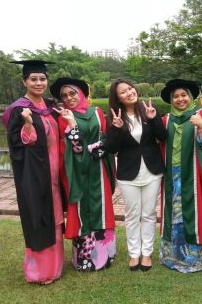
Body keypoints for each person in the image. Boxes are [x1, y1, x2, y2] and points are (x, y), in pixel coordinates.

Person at [2, 60, 64, 284]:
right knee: (39, 217)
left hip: (55, 174)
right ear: (24, 81)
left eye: (42, 79)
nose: (39, 83)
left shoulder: (50, 105)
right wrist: (28, 124)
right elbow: (18, 145)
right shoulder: (19, 109)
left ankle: (56, 266)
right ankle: (40, 271)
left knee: (55, 216)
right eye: (33, 79)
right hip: (35, 174)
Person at [50, 77, 116, 272]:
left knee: (101, 206)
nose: (69, 98)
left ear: (81, 93)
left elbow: (104, 135)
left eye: (72, 93)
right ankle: (85, 259)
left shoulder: (96, 112)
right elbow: (73, 149)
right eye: (64, 95)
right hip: (77, 172)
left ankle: (105, 255)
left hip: (98, 168)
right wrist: (72, 124)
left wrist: (99, 147)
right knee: (82, 209)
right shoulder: (63, 116)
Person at [159, 79, 202, 273]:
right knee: (174, 217)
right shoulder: (166, 119)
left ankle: (196, 260)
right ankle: (172, 257)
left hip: (195, 175)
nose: (180, 99)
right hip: (172, 175)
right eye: (176, 96)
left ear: (191, 96)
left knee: (194, 215)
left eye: (183, 95)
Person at [106, 78, 166, 271]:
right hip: (127, 173)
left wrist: (154, 118)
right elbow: (111, 148)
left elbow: (163, 137)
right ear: (118, 98)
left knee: (148, 214)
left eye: (130, 88)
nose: (129, 92)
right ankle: (134, 254)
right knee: (132, 215)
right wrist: (116, 128)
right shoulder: (115, 117)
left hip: (152, 170)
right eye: (123, 92)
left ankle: (146, 253)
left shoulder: (148, 109)